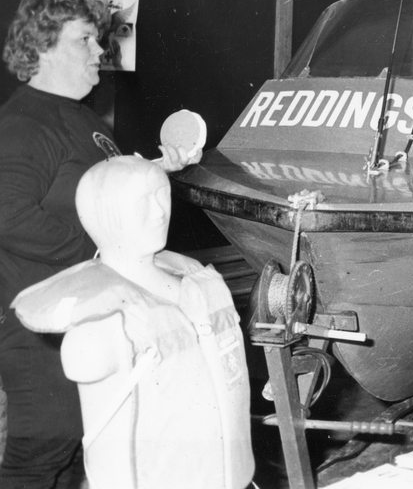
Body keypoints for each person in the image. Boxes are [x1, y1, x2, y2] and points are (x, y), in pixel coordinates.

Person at [0, 0, 200, 487]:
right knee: (43, 451)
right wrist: (99, 252)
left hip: (90, 317)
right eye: (84, 40)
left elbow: (98, 196)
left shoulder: (85, 119)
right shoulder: (23, 124)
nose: (100, 51)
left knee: (81, 450)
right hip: (40, 329)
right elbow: (7, 213)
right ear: (43, 47)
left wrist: (156, 170)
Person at [11, 157, 254, 489]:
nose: (159, 212)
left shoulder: (201, 287)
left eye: (162, 194)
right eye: (142, 202)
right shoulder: (96, 335)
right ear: (100, 216)